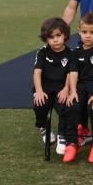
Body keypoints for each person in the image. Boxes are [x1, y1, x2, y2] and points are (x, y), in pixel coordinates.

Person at [32, 17, 79, 163]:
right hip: (45, 89)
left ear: (65, 35)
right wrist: (39, 91)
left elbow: (70, 73)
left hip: (61, 89)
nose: (55, 40)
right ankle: (43, 128)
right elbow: (37, 72)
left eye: (58, 36)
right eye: (51, 37)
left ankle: (62, 136)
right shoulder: (42, 53)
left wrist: (67, 89)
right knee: (40, 105)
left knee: (66, 107)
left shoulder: (71, 54)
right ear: (46, 39)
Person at [69, 11, 93, 164]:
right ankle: (74, 141)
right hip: (80, 85)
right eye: (84, 32)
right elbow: (73, 73)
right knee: (73, 104)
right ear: (79, 32)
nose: (88, 35)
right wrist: (72, 91)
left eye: (92, 32)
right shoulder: (75, 52)